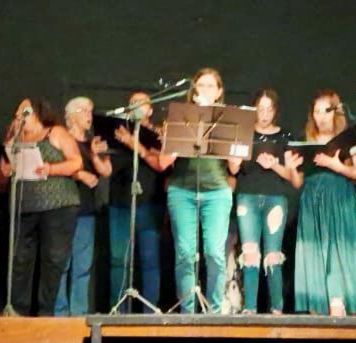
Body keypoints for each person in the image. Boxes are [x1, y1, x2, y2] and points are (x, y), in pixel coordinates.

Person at [157, 68, 242, 313]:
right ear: (193, 92)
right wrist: (179, 139)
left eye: (209, 86)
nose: (203, 90)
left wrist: (224, 138)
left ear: (219, 92)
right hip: (182, 191)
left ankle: (215, 312)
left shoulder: (229, 121)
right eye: (200, 86)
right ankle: (187, 311)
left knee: (215, 252)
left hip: (216, 192)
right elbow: (163, 163)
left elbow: (235, 168)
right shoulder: (178, 119)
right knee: (184, 252)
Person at [294, 90, 356, 316]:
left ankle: (339, 301)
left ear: (336, 113)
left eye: (326, 111)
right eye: (316, 112)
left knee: (340, 249)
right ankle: (319, 304)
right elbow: (298, 180)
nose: (321, 117)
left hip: (339, 197)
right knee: (317, 250)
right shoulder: (309, 140)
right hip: (313, 199)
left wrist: (336, 166)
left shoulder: (350, 138)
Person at [0, 97, 84, 316]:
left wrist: (50, 169)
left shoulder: (55, 132)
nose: (20, 116)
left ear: (37, 112)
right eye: (17, 113)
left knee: (53, 260)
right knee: (19, 259)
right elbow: (5, 166)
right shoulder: (15, 137)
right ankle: (18, 311)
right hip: (25, 206)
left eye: (24, 111)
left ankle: (46, 312)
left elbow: (76, 162)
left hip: (58, 204)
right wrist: (7, 170)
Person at [234, 88, 301, 314]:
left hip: (275, 198)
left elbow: (294, 177)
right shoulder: (244, 133)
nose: (263, 114)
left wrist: (273, 164)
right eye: (260, 109)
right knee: (250, 252)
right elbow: (233, 168)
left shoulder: (285, 137)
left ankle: (277, 308)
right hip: (248, 196)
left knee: (273, 254)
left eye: (268, 109)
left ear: (275, 111)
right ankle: (250, 307)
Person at [106, 91, 167, 312]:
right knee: (118, 259)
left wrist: (134, 144)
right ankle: (118, 310)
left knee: (150, 258)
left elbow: (160, 163)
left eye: (140, 103)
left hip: (150, 201)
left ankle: (150, 311)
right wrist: (98, 153)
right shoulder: (118, 132)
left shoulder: (158, 134)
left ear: (150, 110)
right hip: (120, 201)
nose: (135, 107)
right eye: (131, 103)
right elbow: (107, 168)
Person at [55, 97, 112, 316]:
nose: (89, 114)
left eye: (91, 110)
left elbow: (106, 171)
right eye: (84, 110)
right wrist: (79, 174)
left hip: (87, 211)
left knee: (82, 266)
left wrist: (95, 156)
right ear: (71, 115)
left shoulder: (93, 143)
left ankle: (78, 314)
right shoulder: (61, 139)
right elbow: (53, 166)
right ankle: (59, 313)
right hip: (63, 207)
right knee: (61, 264)